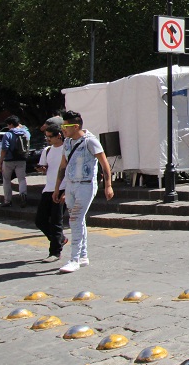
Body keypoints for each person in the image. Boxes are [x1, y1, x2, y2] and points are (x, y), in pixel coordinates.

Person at [53, 110, 114, 273]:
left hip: (86, 185)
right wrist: (57, 187)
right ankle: (83, 255)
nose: (63, 129)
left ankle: (74, 259)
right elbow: (63, 165)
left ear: (76, 126)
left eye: (66, 126)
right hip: (71, 185)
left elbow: (104, 163)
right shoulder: (67, 142)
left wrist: (108, 185)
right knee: (78, 220)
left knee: (74, 219)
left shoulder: (90, 141)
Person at [36, 124, 68, 262]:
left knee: (56, 220)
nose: (47, 139)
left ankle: (55, 252)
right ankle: (60, 239)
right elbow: (45, 166)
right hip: (48, 188)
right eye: (46, 136)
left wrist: (67, 191)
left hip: (62, 187)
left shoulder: (67, 148)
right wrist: (42, 169)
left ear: (58, 136)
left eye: (50, 137)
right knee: (40, 220)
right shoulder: (47, 150)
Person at [0, 115, 30, 208]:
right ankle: (23, 196)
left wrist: (0, 162)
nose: (8, 127)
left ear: (11, 124)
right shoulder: (26, 133)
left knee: (6, 180)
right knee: (22, 179)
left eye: (8, 125)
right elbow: (25, 128)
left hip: (9, 160)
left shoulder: (8, 134)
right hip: (22, 159)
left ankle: (8, 200)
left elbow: (4, 148)